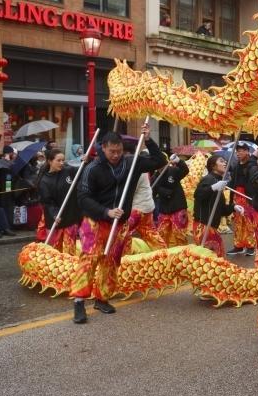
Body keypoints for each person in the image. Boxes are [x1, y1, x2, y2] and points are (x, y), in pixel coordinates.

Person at [72, 124, 166, 324]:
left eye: (119, 151)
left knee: (112, 261)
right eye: (112, 151)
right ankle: (79, 301)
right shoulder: (93, 168)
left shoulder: (132, 163)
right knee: (89, 260)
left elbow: (159, 161)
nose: (115, 155)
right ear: (103, 148)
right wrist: (105, 211)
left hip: (119, 223)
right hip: (95, 221)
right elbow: (83, 197)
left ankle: (102, 298)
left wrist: (149, 139)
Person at [38, 149, 82, 254]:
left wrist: (87, 161)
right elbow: (47, 202)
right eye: (58, 160)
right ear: (50, 161)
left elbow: (84, 170)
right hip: (55, 219)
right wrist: (54, 214)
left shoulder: (69, 171)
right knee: (55, 252)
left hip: (71, 218)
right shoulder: (44, 181)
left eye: (63, 160)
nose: (62, 163)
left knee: (69, 252)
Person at [193, 154, 238, 257]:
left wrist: (233, 207)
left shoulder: (218, 181)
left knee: (216, 256)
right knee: (211, 258)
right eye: (221, 161)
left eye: (225, 161)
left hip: (211, 226)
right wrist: (213, 187)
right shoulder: (208, 179)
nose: (225, 163)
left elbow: (221, 210)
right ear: (213, 166)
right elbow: (198, 195)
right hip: (203, 225)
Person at [127, 157, 166, 251]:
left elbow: (129, 190)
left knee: (121, 232)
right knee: (150, 233)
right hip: (146, 206)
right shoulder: (141, 169)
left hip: (137, 208)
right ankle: (163, 253)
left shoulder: (135, 169)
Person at [228, 141, 258, 256]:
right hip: (237, 195)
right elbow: (233, 182)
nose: (238, 153)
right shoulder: (236, 166)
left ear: (247, 151)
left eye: (241, 151)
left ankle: (251, 245)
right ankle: (238, 245)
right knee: (237, 222)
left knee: (248, 221)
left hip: (247, 197)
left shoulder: (252, 164)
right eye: (237, 151)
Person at [153, 154, 190, 248]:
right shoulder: (155, 177)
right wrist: (164, 192)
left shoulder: (173, 171)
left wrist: (179, 161)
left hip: (178, 207)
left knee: (180, 234)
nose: (160, 167)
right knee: (162, 234)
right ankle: (164, 254)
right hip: (164, 209)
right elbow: (152, 190)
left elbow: (185, 170)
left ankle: (182, 254)